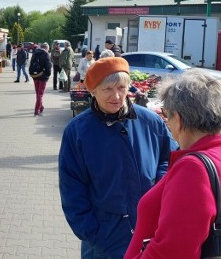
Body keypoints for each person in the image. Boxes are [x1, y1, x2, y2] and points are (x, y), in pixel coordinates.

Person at [124, 70, 221, 258]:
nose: (167, 122)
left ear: (179, 119)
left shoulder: (193, 169)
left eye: (167, 115)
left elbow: (171, 251)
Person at [59, 57, 176, 258]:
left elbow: (169, 157)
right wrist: (93, 234)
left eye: (121, 88)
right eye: (107, 89)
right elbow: (72, 188)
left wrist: (160, 185)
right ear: (93, 90)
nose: (116, 96)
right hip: (104, 237)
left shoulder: (150, 121)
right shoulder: (77, 131)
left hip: (150, 230)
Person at [29, 43, 52, 116]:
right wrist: (48, 75)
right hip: (42, 76)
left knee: (37, 92)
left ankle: (41, 107)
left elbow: (31, 63)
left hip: (35, 75)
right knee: (40, 94)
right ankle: (37, 109)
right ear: (46, 48)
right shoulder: (45, 54)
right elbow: (48, 66)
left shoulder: (35, 52)